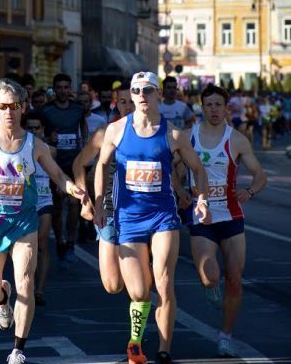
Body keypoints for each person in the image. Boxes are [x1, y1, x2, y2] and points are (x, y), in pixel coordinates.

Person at [0, 78, 88, 364]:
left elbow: (57, 175)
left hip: (24, 222)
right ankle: (2, 298)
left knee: (25, 282)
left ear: (23, 107)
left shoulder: (35, 144)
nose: (8, 112)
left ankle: (18, 350)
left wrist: (73, 188)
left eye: (14, 106)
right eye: (2, 106)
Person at [95, 71, 211, 364]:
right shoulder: (116, 130)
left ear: (158, 94)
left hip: (163, 217)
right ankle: (135, 339)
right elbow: (102, 165)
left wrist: (202, 199)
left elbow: (198, 168)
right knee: (138, 291)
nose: (142, 96)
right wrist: (98, 203)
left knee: (163, 281)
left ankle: (164, 349)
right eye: (136, 91)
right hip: (129, 219)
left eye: (148, 90)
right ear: (131, 96)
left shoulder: (173, 134)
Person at [183, 85, 267, 358]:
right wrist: (180, 191)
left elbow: (259, 175)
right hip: (201, 216)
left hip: (231, 216)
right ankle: (210, 285)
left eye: (219, 105)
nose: (214, 110)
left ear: (226, 108)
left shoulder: (237, 140)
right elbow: (172, 167)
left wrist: (250, 191)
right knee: (210, 276)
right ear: (202, 107)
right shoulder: (188, 137)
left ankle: (225, 337)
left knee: (235, 280)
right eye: (209, 105)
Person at [73, 91, 134, 295]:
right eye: (123, 102)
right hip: (108, 208)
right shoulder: (105, 133)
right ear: (117, 105)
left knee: (141, 281)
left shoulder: (154, 133)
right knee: (113, 285)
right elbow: (79, 164)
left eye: (132, 102)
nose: (128, 107)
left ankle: (140, 301)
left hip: (142, 211)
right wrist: (85, 201)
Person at [40, 72, 86, 266]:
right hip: (54, 163)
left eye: (66, 87)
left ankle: (71, 242)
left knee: (75, 203)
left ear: (70, 89)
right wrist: (48, 139)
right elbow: (38, 135)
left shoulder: (78, 109)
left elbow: (83, 129)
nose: (63, 91)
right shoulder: (46, 110)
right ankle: (60, 241)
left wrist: (85, 151)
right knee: (58, 207)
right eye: (59, 87)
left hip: (74, 163)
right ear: (54, 89)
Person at [23, 111, 55, 306]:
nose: (34, 131)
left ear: (43, 129)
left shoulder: (50, 150)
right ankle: (26, 283)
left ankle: (40, 290)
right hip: (24, 203)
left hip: (44, 201)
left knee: (42, 243)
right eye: (30, 128)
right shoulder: (18, 149)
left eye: (37, 128)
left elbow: (57, 173)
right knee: (27, 246)